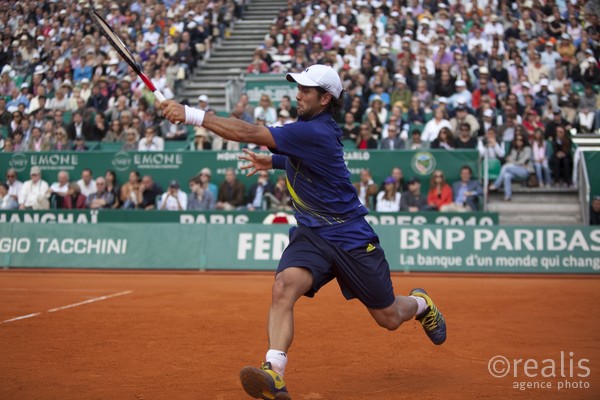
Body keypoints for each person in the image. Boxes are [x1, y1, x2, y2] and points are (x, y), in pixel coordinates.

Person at [161, 64, 446, 400]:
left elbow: (250, 133)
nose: (297, 94)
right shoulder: (309, 128)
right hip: (312, 234)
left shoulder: (315, 132)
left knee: (389, 317)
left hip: (350, 237)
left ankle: (421, 304)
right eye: (298, 88)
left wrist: (192, 114)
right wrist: (275, 162)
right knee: (283, 287)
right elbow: (301, 158)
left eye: (305, 90)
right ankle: (274, 372)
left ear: (325, 99)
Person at [489, 134, 533, 201]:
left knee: (506, 167)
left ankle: (496, 184)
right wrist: (515, 163)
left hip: (525, 171)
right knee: (507, 175)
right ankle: (508, 196)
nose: (519, 141)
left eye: (520, 140)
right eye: (517, 140)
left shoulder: (527, 149)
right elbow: (511, 160)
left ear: (524, 141)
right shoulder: (514, 150)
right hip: (515, 170)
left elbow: (523, 161)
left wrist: (513, 163)